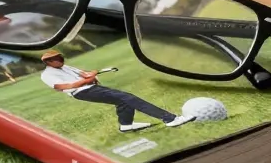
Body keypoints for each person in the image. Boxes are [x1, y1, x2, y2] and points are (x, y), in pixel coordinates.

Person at [38, 50, 181, 132]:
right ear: (48, 63)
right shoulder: (47, 75)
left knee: (122, 101)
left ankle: (126, 125)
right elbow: (62, 87)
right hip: (82, 92)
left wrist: (91, 74)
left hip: (92, 87)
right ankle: (170, 118)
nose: (60, 60)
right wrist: (86, 80)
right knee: (127, 97)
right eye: (56, 59)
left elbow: (84, 73)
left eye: (60, 57)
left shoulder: (65, 67)